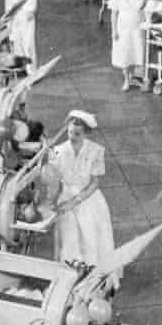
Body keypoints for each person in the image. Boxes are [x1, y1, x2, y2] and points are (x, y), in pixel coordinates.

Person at [51, 111, 120, 289]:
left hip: (88, 199)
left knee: (90, 239)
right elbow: (52, 178)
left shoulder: (96, 151)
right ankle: (69, 281)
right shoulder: (58, 150)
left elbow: (95, 182)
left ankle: (92, 280)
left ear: (86, 133)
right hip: (65, 200)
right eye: (70, 132)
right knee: (69, 238)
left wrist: (75, 201)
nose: (72, 137)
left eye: (77, 134)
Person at [109, 0, 148, 91]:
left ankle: (132, 77)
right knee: (124, 54)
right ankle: (126, 79)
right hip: (123, 27)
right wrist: (114, 31)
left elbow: (140, 5)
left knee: (135, 52)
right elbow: (114, 14)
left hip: (136, 26)